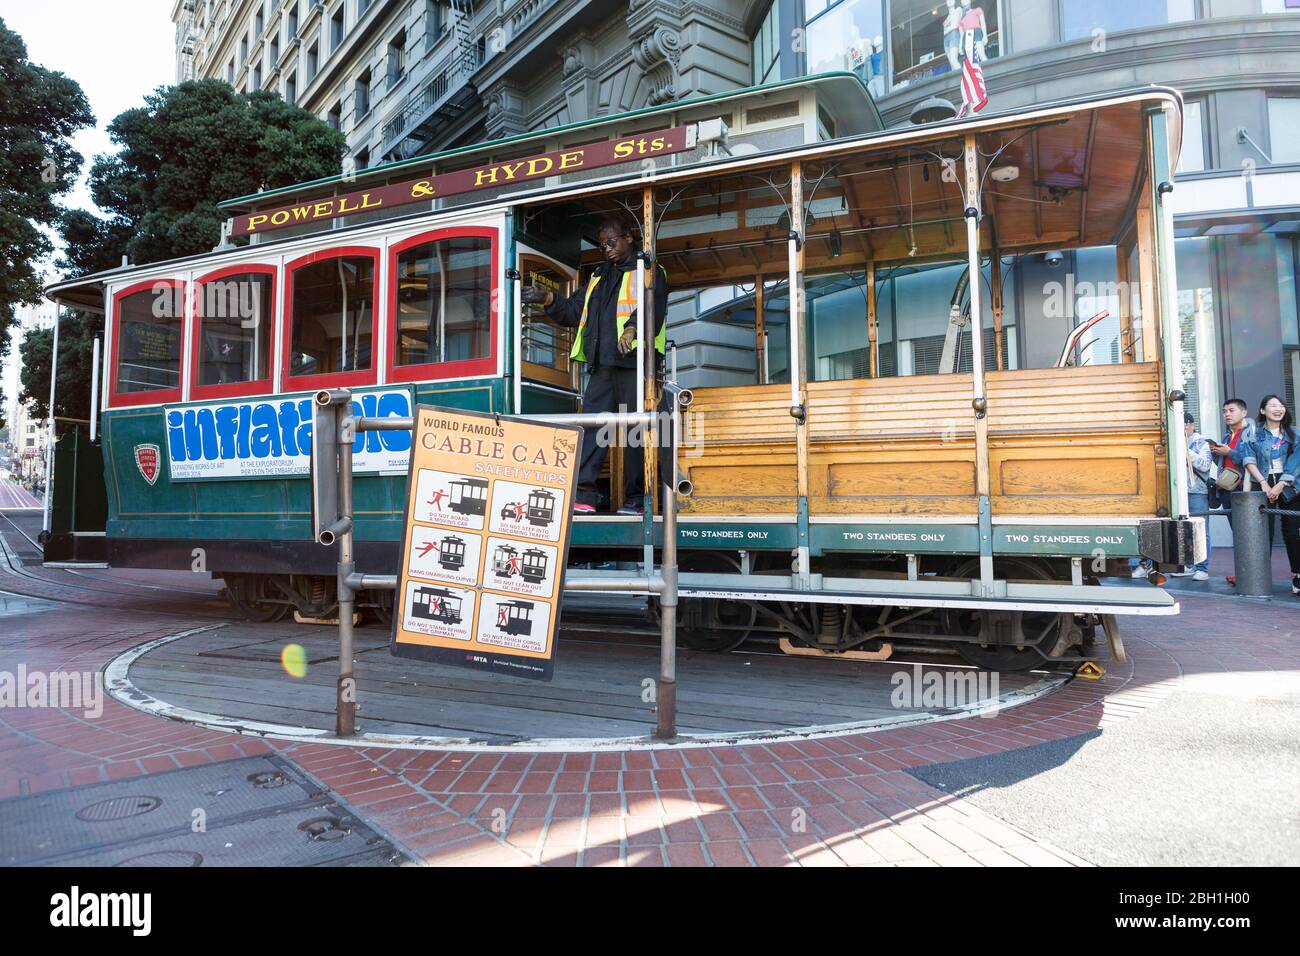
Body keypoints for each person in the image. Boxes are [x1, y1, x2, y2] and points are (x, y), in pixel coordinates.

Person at [521, 215, 668, 515]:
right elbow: (574, 311)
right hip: (602, 367)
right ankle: (584, 497)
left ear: (629, 237)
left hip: (634, 364)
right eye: (602, 245)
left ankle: (638, 499)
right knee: (591, 428)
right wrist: (547, 298)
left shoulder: (650, 270)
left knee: (634, 433)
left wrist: (632, 329)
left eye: (611, 242)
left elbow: (654, 305)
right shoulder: (598, 277)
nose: (607, 249)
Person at [1250, 394, 1300, 594]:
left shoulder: (1294, 433)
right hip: (1262, 481)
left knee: (1293, 531)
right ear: (1263, 411)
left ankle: (1298, 575)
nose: (1278, 409)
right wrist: (1263, 483)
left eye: (1281, 406)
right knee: (1262, 532)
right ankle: (1259, 576)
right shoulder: (1254, 432)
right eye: (1272, 405)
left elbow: (1297, 461)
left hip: (1289, 482)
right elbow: (1248, 457)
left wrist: (1281, 483)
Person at [1179, 412, 1213, 581]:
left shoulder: (1202, 442)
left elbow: (1205, 465)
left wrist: (1186, 451)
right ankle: (1187, 564)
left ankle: (1202, 567)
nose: (1184, 427)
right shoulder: (1173, 441)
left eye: (1186, 424)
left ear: (1192, 424)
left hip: (1197, 491)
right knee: (1182, 530)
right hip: (1178, 491)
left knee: (1200, 530)